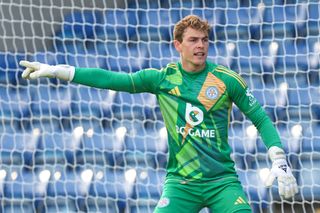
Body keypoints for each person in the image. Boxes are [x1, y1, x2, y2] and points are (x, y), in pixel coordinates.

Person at [20, 15, 298, 213]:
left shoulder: (225, 80)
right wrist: (60, 71)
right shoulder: (162, 78)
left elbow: (260, 118)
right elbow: (112, 80)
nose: (200, 45)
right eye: (193, 40)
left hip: (222, 182)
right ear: (178, 45)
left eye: (204, 40)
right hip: (181, 184)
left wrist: (278, 157)